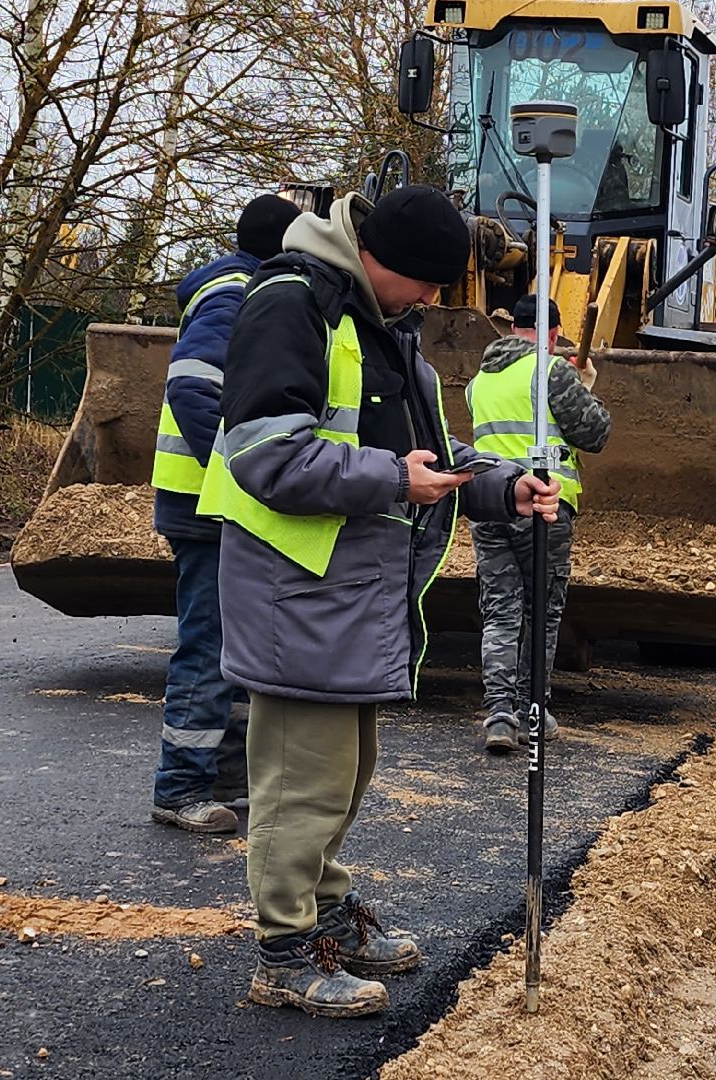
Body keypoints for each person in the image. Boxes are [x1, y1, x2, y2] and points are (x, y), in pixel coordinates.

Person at [198, 184, 561, 1019]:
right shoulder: (294, 307)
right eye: (426, 283)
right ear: (375, 260)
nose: (434, 300)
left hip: (353, 593)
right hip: (300, 592)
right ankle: (284, 954)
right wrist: (393, 478)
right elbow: (266, 456)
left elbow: (425, 446)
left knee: (344, 775)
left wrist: (504, 487)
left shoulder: (380, 328)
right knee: (300, 784)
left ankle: (326, 914)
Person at [148, 193, 302, 833]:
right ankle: (180, 787)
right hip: (206, 502)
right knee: (209, 645)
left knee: (236, 647)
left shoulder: (242, 288)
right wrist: (248, 465)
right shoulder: (235, 293)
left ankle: (228, 782)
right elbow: (193, 386)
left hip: (218, 502)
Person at [467, 296, 611, 753]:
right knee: (542, 610)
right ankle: (533, 707)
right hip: (543, 506)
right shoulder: (551, 371)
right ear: (551, 332)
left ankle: (499, 715)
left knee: (500, 610)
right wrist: (586, 386)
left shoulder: (479, 380)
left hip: (490, 504)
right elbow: (596, 433)